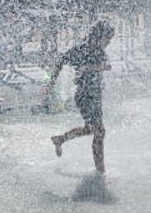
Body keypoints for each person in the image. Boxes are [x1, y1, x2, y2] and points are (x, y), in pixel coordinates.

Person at [43, 21, 115, 174]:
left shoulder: (100, 51)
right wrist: (50, 82)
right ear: (99, 36)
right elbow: (60, 61)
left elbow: (108, 66)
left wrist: (88, 68)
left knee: (91, 129)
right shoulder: (81, 50)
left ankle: (61, 139)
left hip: (96, 96)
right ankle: (100, 171)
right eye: (107, 39)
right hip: (84, 96)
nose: (109, 42)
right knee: (99, 132)